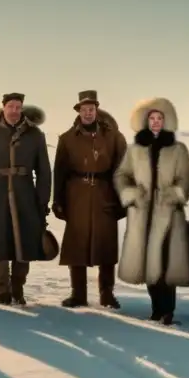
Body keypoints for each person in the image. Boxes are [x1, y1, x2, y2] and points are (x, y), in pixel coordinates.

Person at [113, 97, 189, 325]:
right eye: (152, 118)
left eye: (160, 118)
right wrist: (131, 194)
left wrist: (175, 194)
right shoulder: (135, 150)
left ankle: (167, 309)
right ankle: (155, 309)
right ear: (145, 121)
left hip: (168, 212)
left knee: (166, 261)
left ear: (167, 121)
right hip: (142, 213)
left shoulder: (178, 150)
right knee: (148, 261)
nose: (156, 122)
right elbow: (121, 176)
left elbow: (187, 177)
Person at [0, 92, 52, 305]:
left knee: (24, 243)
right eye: (11, 107)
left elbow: (44, 171)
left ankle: (18, 288)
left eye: (18, 107)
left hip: (25, 194)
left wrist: (42, 200)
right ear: (3, 108)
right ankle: (3, 291)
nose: (14, 111)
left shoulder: (35, 136)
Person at [52, 90, 128, 308]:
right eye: (84, 109)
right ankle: (78, 294)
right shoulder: (67, 138)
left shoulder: (113, 137)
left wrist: (122, 200)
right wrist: (58, 200)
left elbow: (123, 169)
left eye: (91, 109)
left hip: (105, 194)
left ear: (97, 110)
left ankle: (107, 294)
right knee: (77, 245)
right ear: (79, 110)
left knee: (106, 245)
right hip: (76, 194)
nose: (88, 113)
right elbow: (59, 171)